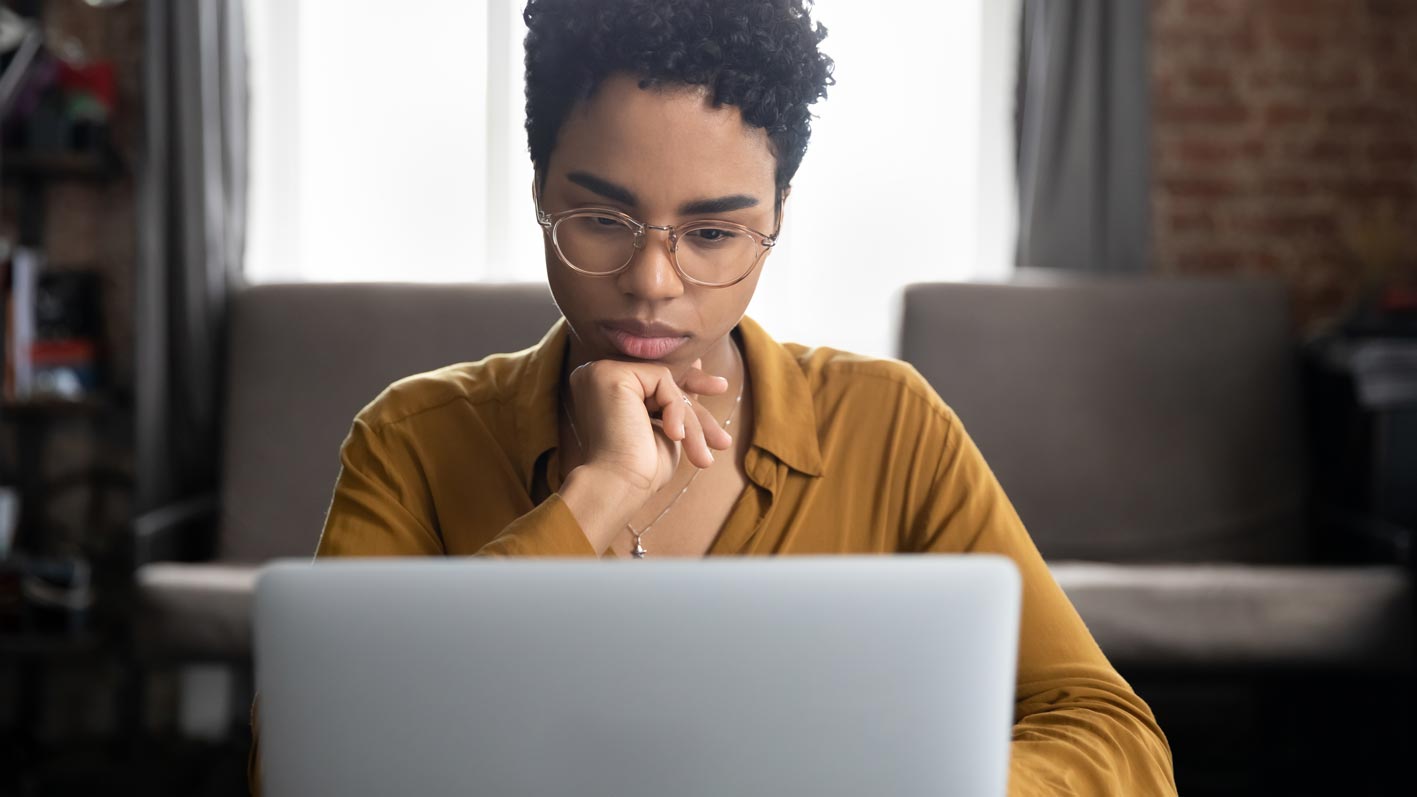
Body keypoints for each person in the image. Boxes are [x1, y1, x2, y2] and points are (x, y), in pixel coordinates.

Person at [250, 1, 1177, 794]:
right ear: (538, 190)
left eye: (714, 231)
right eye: (603, 219)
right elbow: (312, 764)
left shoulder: (890, 425)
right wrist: (594, 495)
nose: (653, 280)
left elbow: (1113, 735)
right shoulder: (410, 438)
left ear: (776, 219)